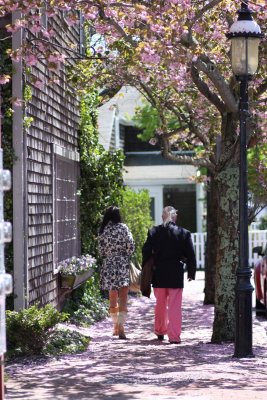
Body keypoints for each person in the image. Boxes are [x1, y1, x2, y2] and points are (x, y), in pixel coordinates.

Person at [142, 206, 196, 344]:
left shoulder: (154, 232)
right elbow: (190, 254)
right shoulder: (184, 233)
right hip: (175, 273)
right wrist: (191, 272)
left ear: (162, 217)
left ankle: (160, 331)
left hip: (159, 273)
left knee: (160, 304)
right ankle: (174, 336)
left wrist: (149, 264)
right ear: (175, 217)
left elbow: (146, 251)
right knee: (174, 306)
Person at [98, 206, 135, 339]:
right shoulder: (123, 228)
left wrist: (109, 255)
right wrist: (124, 254)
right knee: (124, 297)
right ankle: (122, 328)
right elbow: (131, 246)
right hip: (122, 263)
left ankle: (115, 327)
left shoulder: (103, 230)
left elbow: (101, 251)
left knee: (112, 297)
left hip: (108, 265)